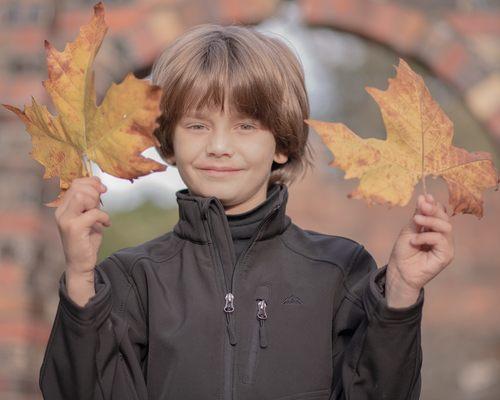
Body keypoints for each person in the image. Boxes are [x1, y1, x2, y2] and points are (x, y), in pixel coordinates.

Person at [39, 24, 454, 400]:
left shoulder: (339, 272)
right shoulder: (131, 280)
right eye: (197, 125)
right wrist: (79, 278)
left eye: (246, 126)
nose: (219, 145)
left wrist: (400, 293)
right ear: (168, 141)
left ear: (282, 143)